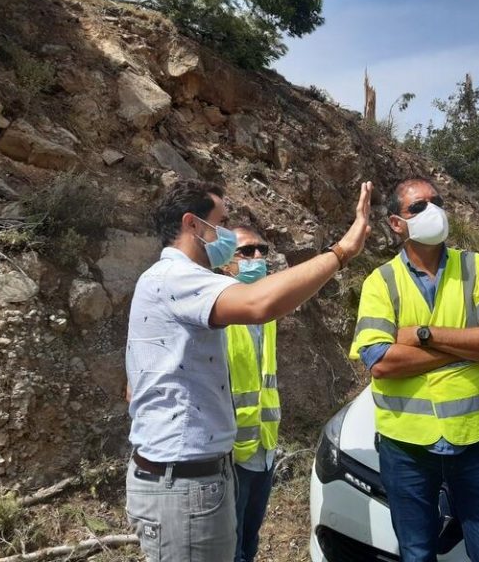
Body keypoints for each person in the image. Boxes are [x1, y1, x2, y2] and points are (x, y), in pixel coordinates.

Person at [126, 178, 372, 562]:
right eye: (220, 223)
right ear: (192, 224)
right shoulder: (176, 278)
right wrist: (342, 252)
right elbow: (261, 302)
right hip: (184, 482)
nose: (225, 234)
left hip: (202, 473)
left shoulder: (170, 281)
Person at [349, 178, 479, 562]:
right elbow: (381, 362)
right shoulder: (381, 282)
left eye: (437, 201)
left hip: (473, 442)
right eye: (419, 207)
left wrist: (424, 335)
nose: (433, 211)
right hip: (406, 447)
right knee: (416, 553)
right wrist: (467, 350)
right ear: (397, 223)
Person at [219, 226, 279, 562]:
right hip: (230, 453)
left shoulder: (265, 313)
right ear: (225, 262)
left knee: (250, 538)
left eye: (262, 250)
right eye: (246, 251)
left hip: (263, 445)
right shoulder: (218, 312)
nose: (258, 257)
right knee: (231, 545)